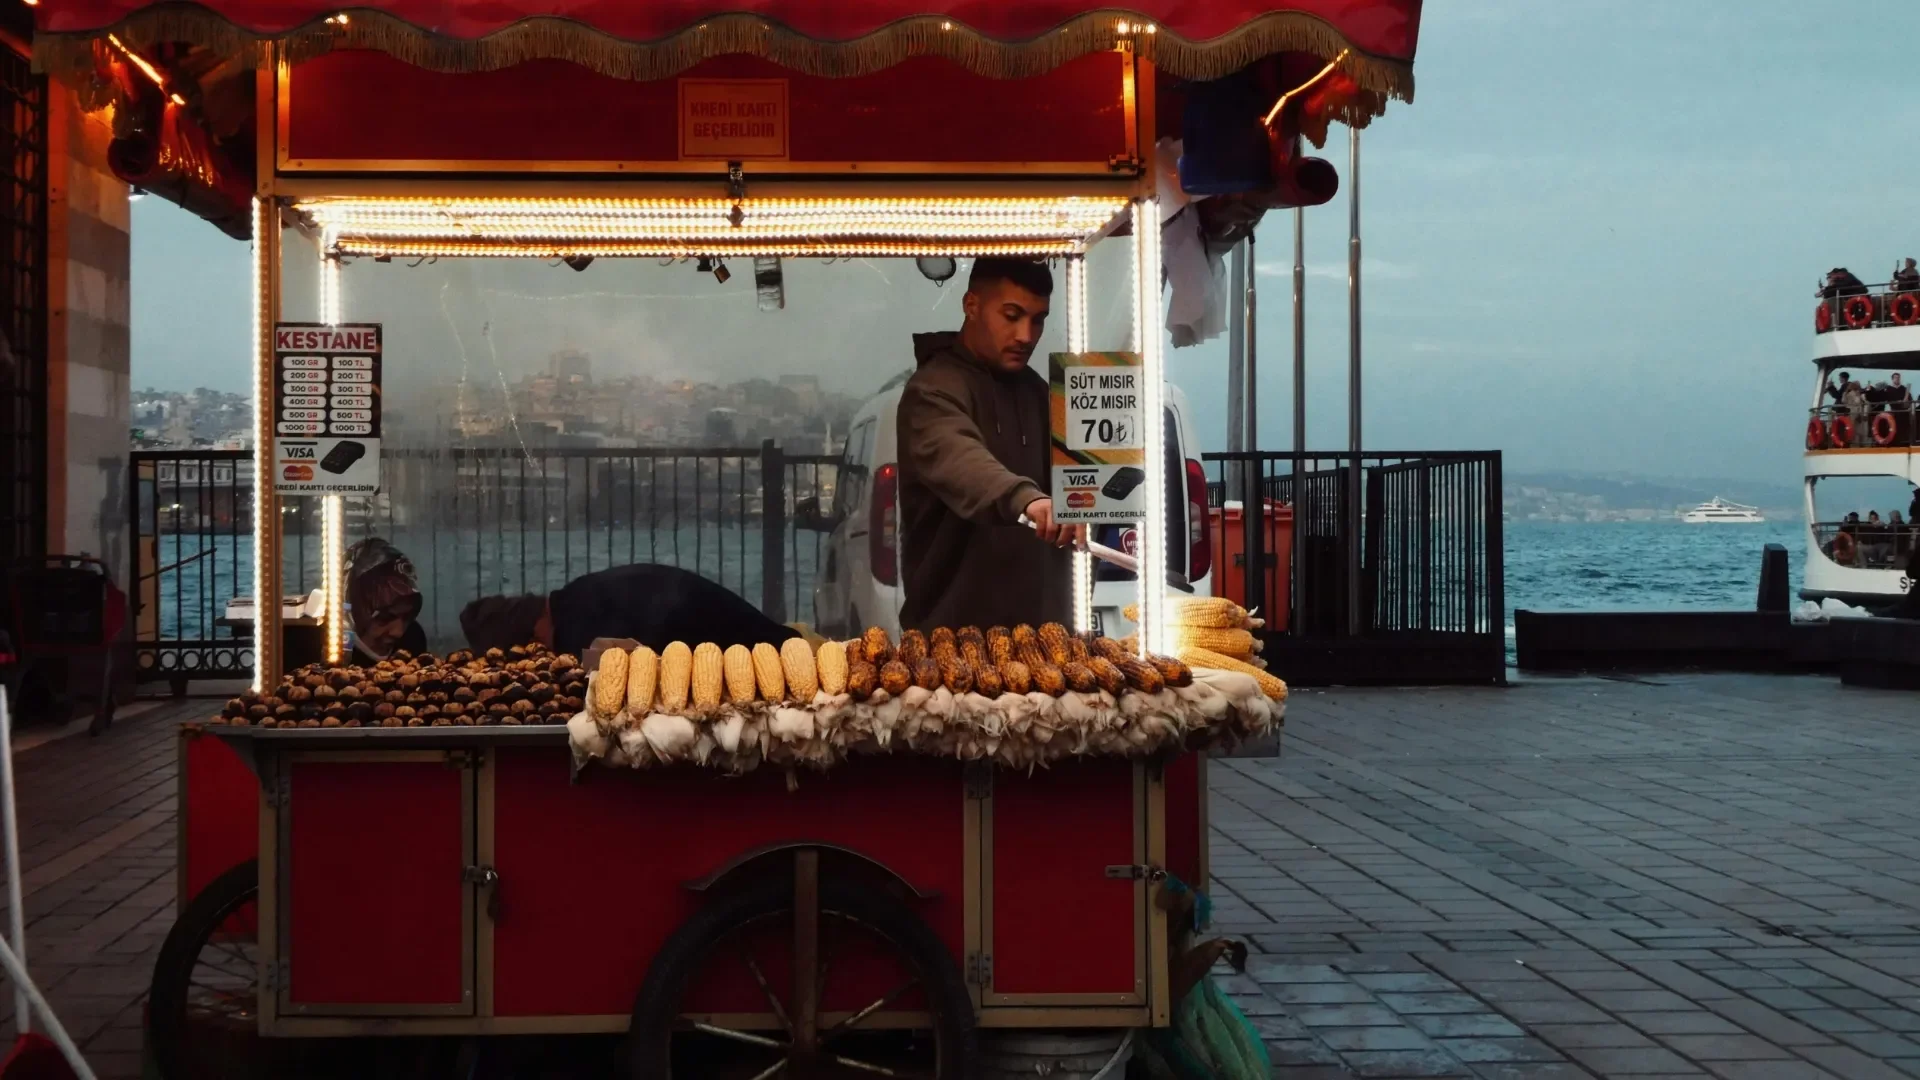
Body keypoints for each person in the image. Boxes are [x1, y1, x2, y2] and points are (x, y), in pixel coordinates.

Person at [894, 257, 1083, 631]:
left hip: (1047, 638)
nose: (1026, 335)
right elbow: (960, 459)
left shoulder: (1039, 392)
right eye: (1011, 315)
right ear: (971, 305)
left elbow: (1084, 487)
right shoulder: (931, 391)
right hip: (953, 640)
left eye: (1038, 319)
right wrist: (1027, 499)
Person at [459, 563, 799, 657]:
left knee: (775, 645)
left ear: (536, 630)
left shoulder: (574, 625)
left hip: (715, 627)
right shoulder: (576, 594)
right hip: (707, 609)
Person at [344, 538, 427, 664]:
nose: (398, 632)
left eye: (407, 618)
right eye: (385, 617)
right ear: (353, 614)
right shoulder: (319, 649)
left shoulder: (412, 641)